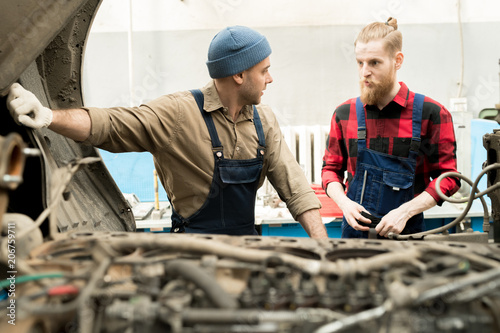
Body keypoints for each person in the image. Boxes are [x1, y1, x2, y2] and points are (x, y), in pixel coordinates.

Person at [7, 25, 328, 238]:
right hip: (192, 257)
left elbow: (296, 189)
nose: (271, 79)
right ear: (240, 74)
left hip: (248, 251)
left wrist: (324, 250)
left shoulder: (264, 120)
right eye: (265, 70)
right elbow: (112, 124)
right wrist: (48, 115)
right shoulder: (179, 113)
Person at [321, 18, 460, 239]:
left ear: (397, 60)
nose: (364, 72)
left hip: (407, 239)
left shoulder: (431, 114)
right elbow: (330, 170)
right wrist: (344, 204)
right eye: (360, 63)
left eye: (374, 63)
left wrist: (406, 211)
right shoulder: (344, 114)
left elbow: (449, 178)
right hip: (355, 240)